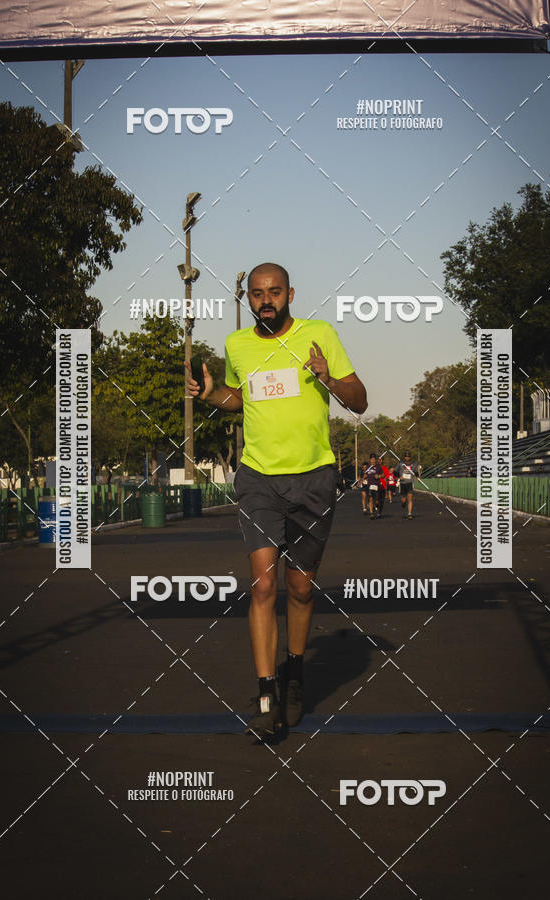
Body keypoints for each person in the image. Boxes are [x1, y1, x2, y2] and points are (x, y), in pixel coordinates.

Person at [186, 262, 367, 739]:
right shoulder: (237, 344)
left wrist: (328, 377)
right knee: (264, 587)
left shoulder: (319, 334)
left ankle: (294, 677)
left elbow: (360, 399)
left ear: (290, 293)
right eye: (257, 293)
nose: (265, 300)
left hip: (314, 479)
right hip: (258, 478)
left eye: (274, 292)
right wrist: (211, 394)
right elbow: (240, 398)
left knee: (301, 589)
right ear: (248, 297)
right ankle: (266, 696)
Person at [394, 451, 419, 518]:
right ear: (404, 457)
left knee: (410, 498)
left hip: (410, 483)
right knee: (403, 499)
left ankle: (409, 513)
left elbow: (416, 472)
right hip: (402, 483)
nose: (407, 458)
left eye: (408, 456)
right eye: (406, 456)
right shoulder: (401, 463)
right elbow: (395, 472)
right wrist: (399, 477)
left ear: (410, 457)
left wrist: (418, 477)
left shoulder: (413, 464)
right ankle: (403, 503)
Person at [365, 453, 383, 519]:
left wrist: (379, 476)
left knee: (377, 501)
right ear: (370, 460)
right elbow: (365, 474)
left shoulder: (378, 467)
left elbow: (383, 475)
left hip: (376, 485)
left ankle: (377, 506)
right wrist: (363, 477)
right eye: (371, 459)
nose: (373, 460)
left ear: (375, 460)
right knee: (370, 499)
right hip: (370, 485)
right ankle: (371, 513)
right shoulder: (368, 467)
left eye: (374, 459)